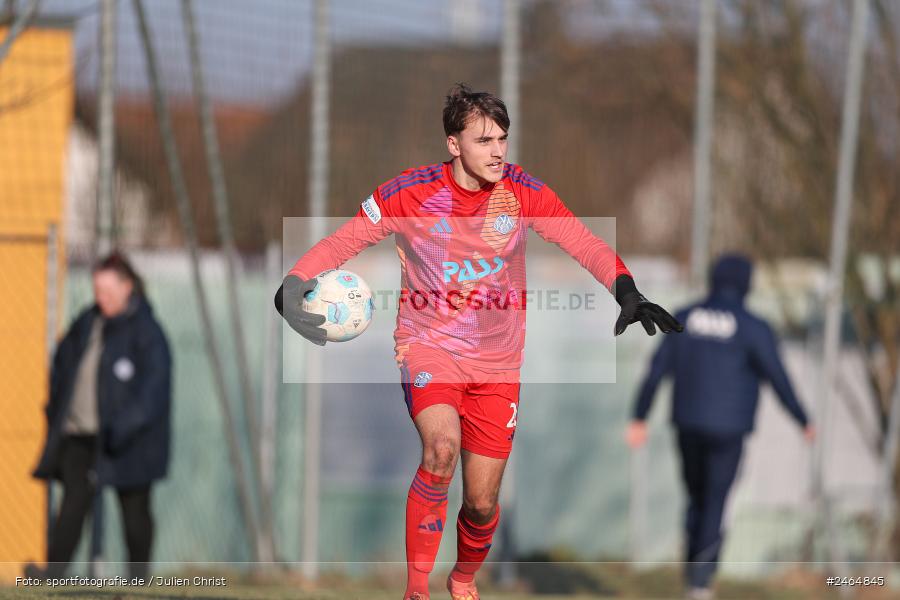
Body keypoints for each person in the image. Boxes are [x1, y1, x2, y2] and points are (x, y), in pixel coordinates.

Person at [277, 83, 682, 600]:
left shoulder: (523, 192)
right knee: (441, 449)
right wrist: (294, 283)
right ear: (454, 144)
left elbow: (582, 240)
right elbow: (347, 238)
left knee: (483, 503)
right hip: (429, 346)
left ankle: (463, 576)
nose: (497, 151)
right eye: (484, 140)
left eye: (502, 139)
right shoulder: (410, 193)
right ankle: (417, 590)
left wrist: (626, 290)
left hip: (498, 366)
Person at [626, 254, 814, 600]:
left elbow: (657, 369)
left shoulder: (683, 317)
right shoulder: (753, 327)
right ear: (746, 284)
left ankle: (693, 572)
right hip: (729, 430)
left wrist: (639, 416)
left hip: (687, 424)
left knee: (696, 497)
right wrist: (803, 419)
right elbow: (778, 378)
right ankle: (700, 583)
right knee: (715, 500)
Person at [32, 252, 172, 579]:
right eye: (97, 291)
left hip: (129, 440)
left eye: (108, 291)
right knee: (72, 506)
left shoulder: (147, 332)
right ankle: (52, 577)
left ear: (127, 287)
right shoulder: (87, 322)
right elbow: (62, 365)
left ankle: (139, 581)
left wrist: (122, 427)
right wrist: (56, 411)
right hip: (80, 435)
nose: (101, 298)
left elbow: (153, 391)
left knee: (135, 515)